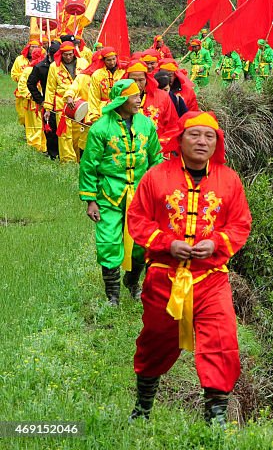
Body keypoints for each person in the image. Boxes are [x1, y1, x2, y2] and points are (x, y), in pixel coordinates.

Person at [127, 111, 252, 425]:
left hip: (211, 278)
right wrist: (167, 243)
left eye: (209, 136)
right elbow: (138, 219)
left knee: (222, 341)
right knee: (155, 340)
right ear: (179, 140)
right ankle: (142, 409)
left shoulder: (229, 179)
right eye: (195, 135)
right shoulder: (156, 176)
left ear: (217, 142)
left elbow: (240, 223)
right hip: (163, 278)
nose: (202, 142)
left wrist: (217, 243)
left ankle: (217, 419)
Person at [79, 79, 163, 305]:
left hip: (141, 196)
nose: (139, 100)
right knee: (108, 242)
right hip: (109, 195)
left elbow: (156, 159)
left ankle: (133, 282)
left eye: (139, 95)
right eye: (134, 96)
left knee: (141, 244)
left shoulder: (146, 125)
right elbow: (89, 165)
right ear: (122, 99)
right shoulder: (100, 128)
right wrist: (90, 200)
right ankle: (112, 295)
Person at [45, 40, 88, 162]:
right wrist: (48, 108)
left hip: (79, 103)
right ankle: (67, 161)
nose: (68, 57)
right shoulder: (54, 66)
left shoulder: (83, 63)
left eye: (70, 54)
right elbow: (50, 87)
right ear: (61, 54)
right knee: (64, 134)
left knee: (78, 134)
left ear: (74, 52)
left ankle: (78, 159)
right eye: (65, 54)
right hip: (61, 104)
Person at [27, 41, 60, 157]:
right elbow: (30, 84)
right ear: (50, 55)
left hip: (63, 100)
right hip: (48, 101)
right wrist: (40, 100)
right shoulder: (40, 67)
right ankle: (53, 154)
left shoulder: (63, 65)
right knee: (50, 128)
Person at [85, 47, 124, 124]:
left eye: (113, 59)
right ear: (103, 60)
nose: (112, 62)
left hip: (121, 109)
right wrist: (94, 116)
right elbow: (93, 97)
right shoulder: (97, 75)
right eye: (108, 60)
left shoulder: (123, 72)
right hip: (103, 110)